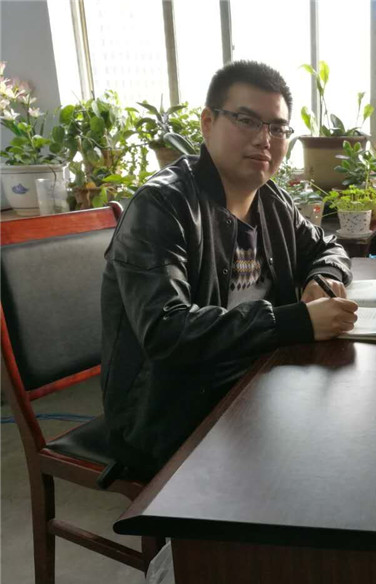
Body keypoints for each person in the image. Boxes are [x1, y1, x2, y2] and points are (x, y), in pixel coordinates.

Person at [101, 61, 358, 477]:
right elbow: (167, 331)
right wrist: (295, 321)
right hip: (172, 410)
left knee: (348, 440)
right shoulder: (162, 206)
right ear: (207, 123)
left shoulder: (272, 200)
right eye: (246, 120)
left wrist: (322, 276)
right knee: (319, 468)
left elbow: (328, 246)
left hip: (257, 385)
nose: (264, 139)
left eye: (277, 128)